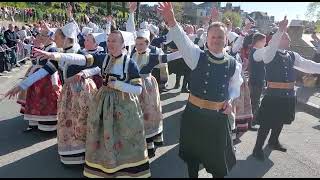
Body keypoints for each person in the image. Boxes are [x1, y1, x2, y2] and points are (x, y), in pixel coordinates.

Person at [30, 30, 151, 178]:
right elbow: (80, 58)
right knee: (103, 134)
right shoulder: (103, 58)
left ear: (122, 44)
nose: (110, 44)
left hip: (125, 105)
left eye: (114, 41)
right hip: (104, 102)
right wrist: (54, 55)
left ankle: (126, 170)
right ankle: (105, 166)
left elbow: (138, 89)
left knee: (124, 136)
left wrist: (117, 85)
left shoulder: (129, 63)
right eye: (109, 40)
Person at [157, 2, 243, 178]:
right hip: (194, 115)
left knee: (218, 159)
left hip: (218, 118)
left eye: (221, 37)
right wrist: (172, 21)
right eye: (213, 37)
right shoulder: (196, 56)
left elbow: (235, 86)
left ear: (226, 39)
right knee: (193, 157)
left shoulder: (234, 63)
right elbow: (183, 41)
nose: (217, 40)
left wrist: (231, 100)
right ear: (207, 39)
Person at [252, 16, 320, 161]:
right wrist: (280, 31)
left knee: (280, 121)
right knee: (266, 123)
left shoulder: (292, 55)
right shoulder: (269, 53)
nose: (289, 40)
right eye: (286, 38)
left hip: (288, 95)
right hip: (273, 95)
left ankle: (273, 141)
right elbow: (271, 46)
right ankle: (257, 149)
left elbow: (309, 65)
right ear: (279, 39)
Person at [248, 32, 267, 126]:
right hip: (256, 81)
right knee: (254, 102)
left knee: (255, 101)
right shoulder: (257, 51)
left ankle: (255, 120)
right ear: (258, 41)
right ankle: (251, 122)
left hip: (256, 80)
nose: (265, 42)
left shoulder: (255, 51)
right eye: (264, 41)